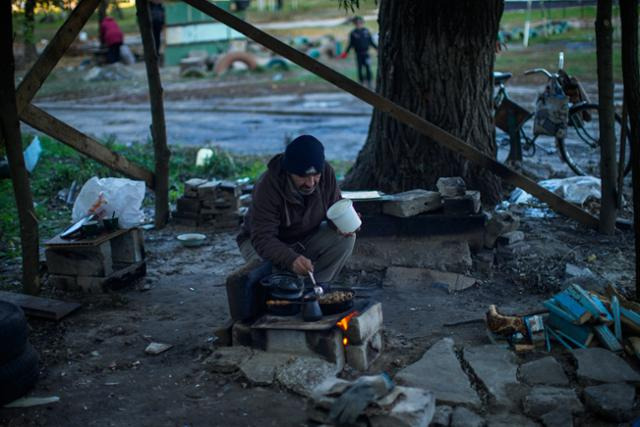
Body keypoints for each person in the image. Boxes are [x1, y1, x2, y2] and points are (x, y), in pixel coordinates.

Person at [237, 135, 357, 282]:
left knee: (345, 240)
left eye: (316, 175)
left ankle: (316, 289)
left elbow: (334, 208)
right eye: (303, 176)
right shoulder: (268, 186)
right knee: (267, 275)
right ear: (289, 171)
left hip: (303, 238)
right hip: (261, 242)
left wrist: (341, 223)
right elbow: (263, 237)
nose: (311, 183)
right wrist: (290, 259)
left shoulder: (326, 174)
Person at [340, 16, 377, 88]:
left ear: (363, 23)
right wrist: (345, 53)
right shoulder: (353, 33)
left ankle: (369, 83)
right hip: (358, 54)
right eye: (357, 23)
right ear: (354, 23)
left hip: (366, 53)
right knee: (360, 68)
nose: (359, 24)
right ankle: (361, 83)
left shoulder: (366, 31)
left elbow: (371, 42)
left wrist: (377, 49)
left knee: (368, 68)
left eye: (360, 22)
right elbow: (350, 44)